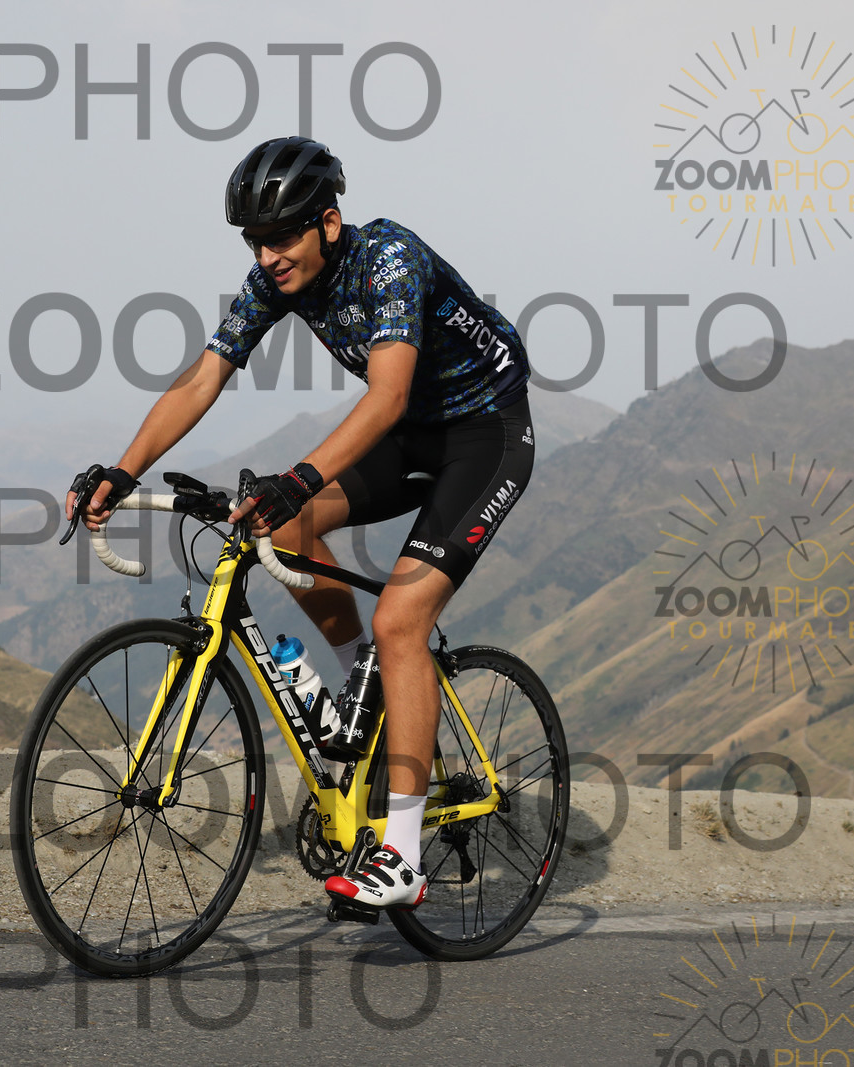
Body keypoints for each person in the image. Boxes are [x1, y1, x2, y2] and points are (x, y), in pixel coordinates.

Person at [67, 136, 534, 910]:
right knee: (280, 530)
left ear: (328, 222)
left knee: (400, 620)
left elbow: (386, 395)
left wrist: (301, 478)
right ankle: (363, 685)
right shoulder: (275, 279)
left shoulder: (389, 259)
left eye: (282, 236)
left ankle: (403, 857)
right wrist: (124, 469)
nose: (267, 255)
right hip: (412, 436)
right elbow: (205, 375)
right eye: (255, 240)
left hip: (485, 435)